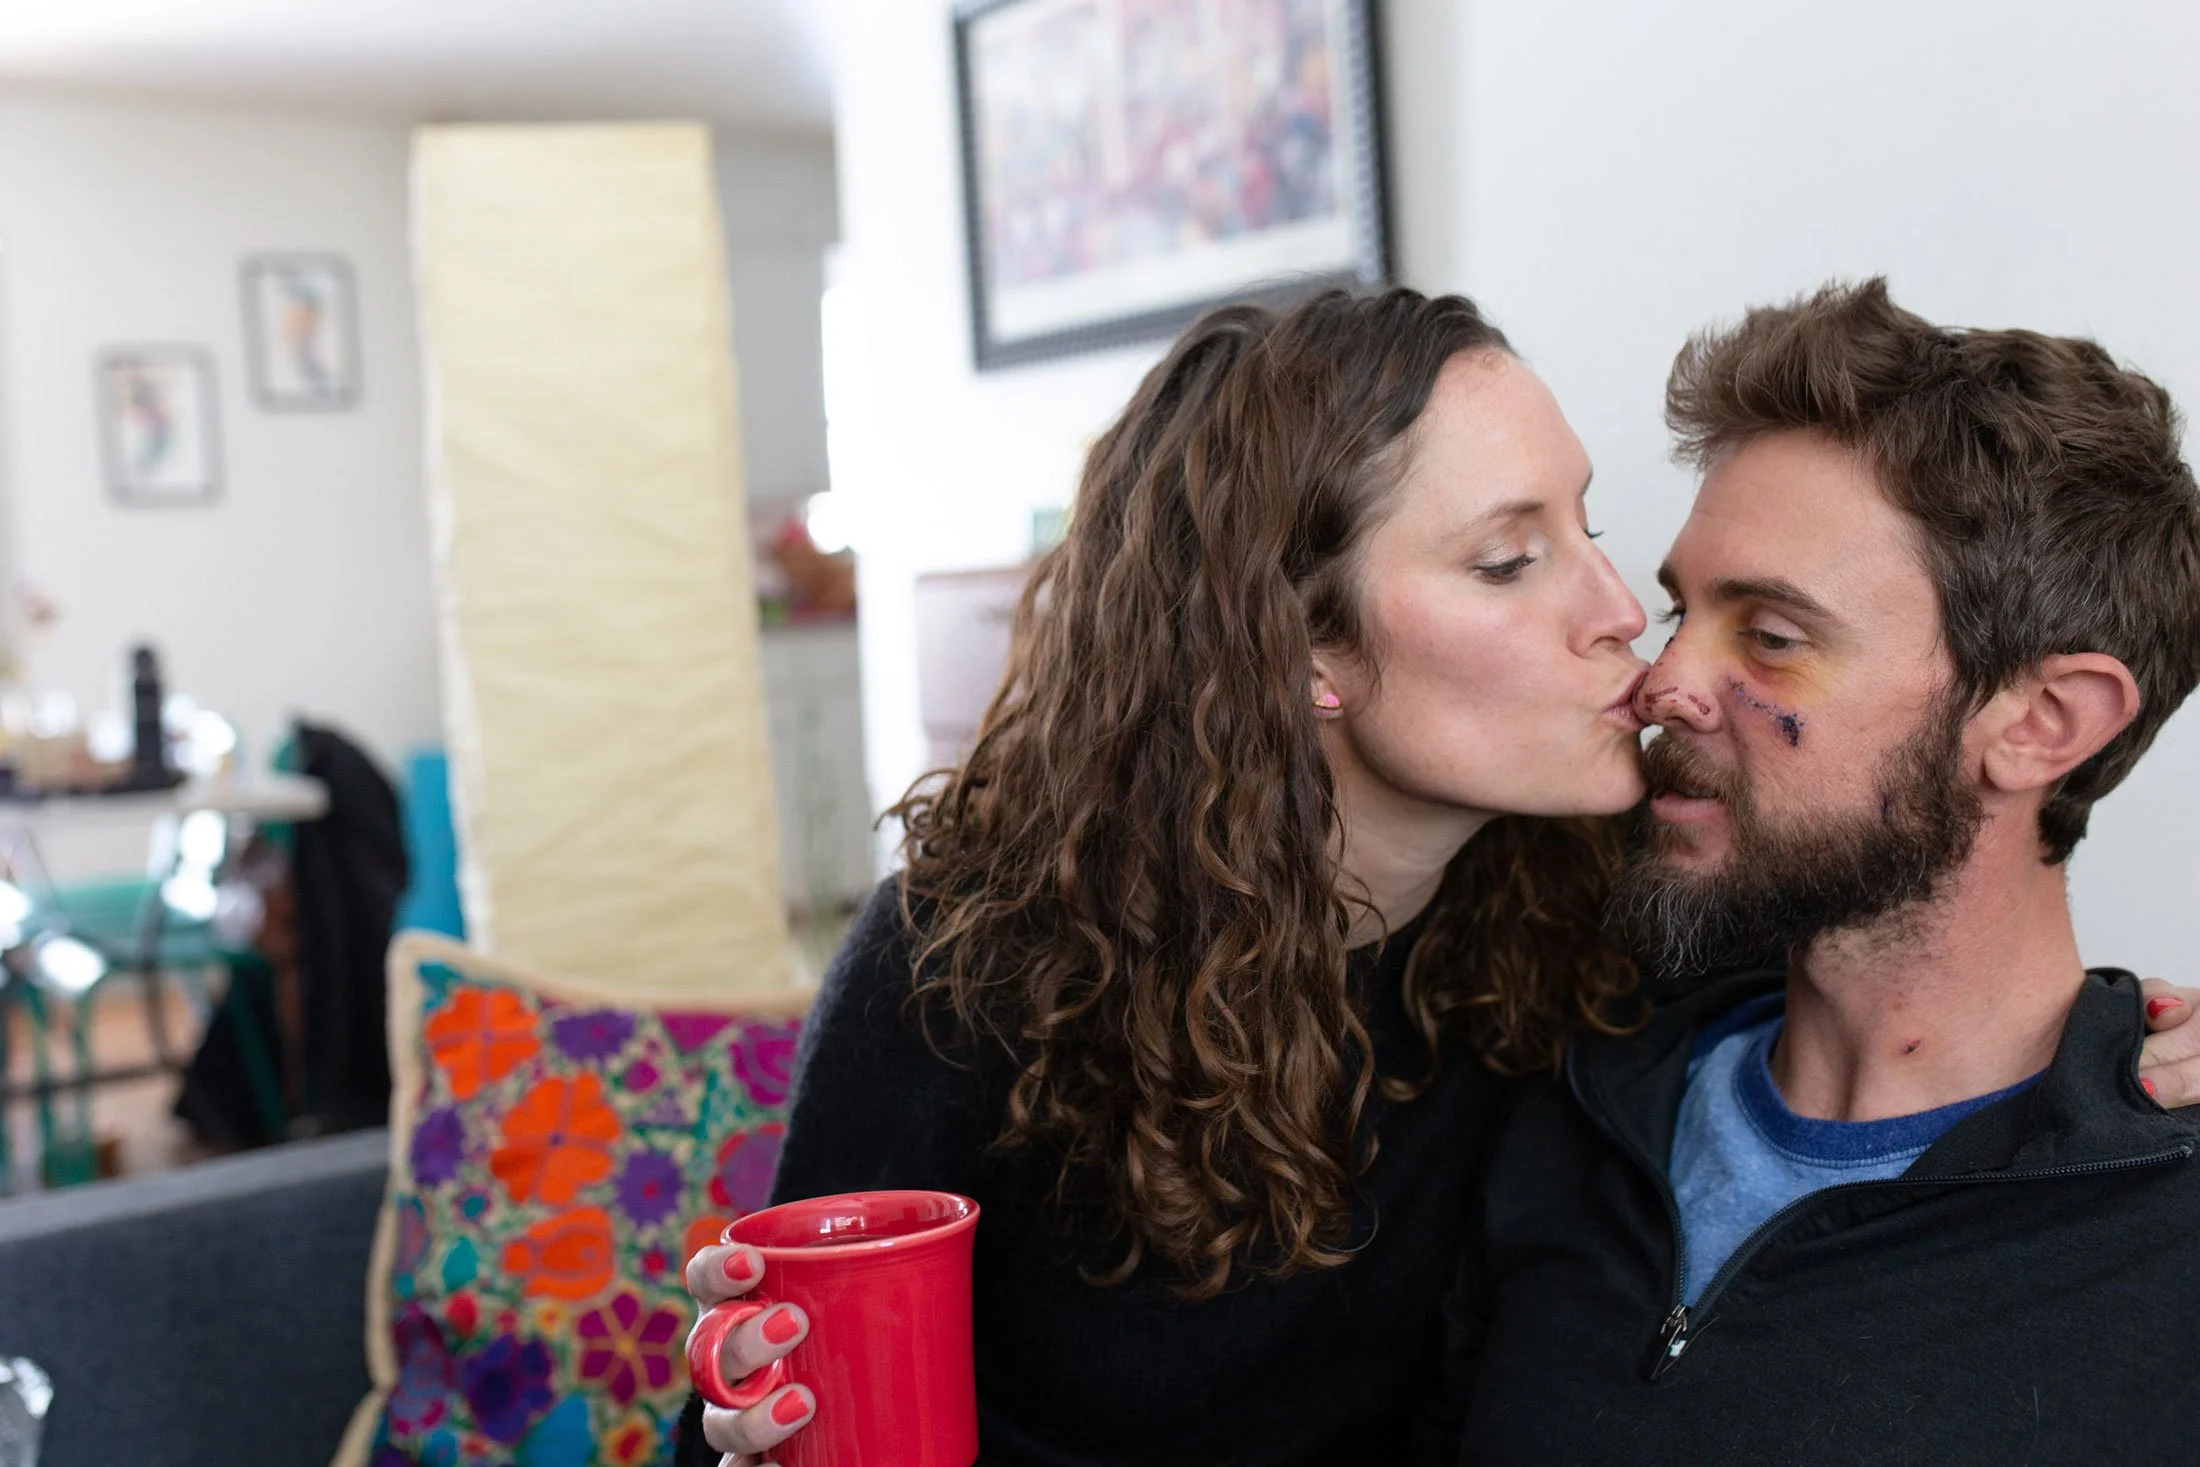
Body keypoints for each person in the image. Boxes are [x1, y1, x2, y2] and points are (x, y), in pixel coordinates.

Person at [677, 288, 2200, 1466]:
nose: (1635, 629)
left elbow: (1921, 938)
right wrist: (757, 1414)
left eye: (1589, 532)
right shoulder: (981, 956)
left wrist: (2128, 1053)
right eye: (1507, 560)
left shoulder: (1618, 919)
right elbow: (777, 1393)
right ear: (1304, 646)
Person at [1452, 280, 2200, 1464]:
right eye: (1682, 611)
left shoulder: (2162, 1240)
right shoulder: (1559, 1099)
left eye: (1771, 637)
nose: (1661, 683)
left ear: (2040, 723)